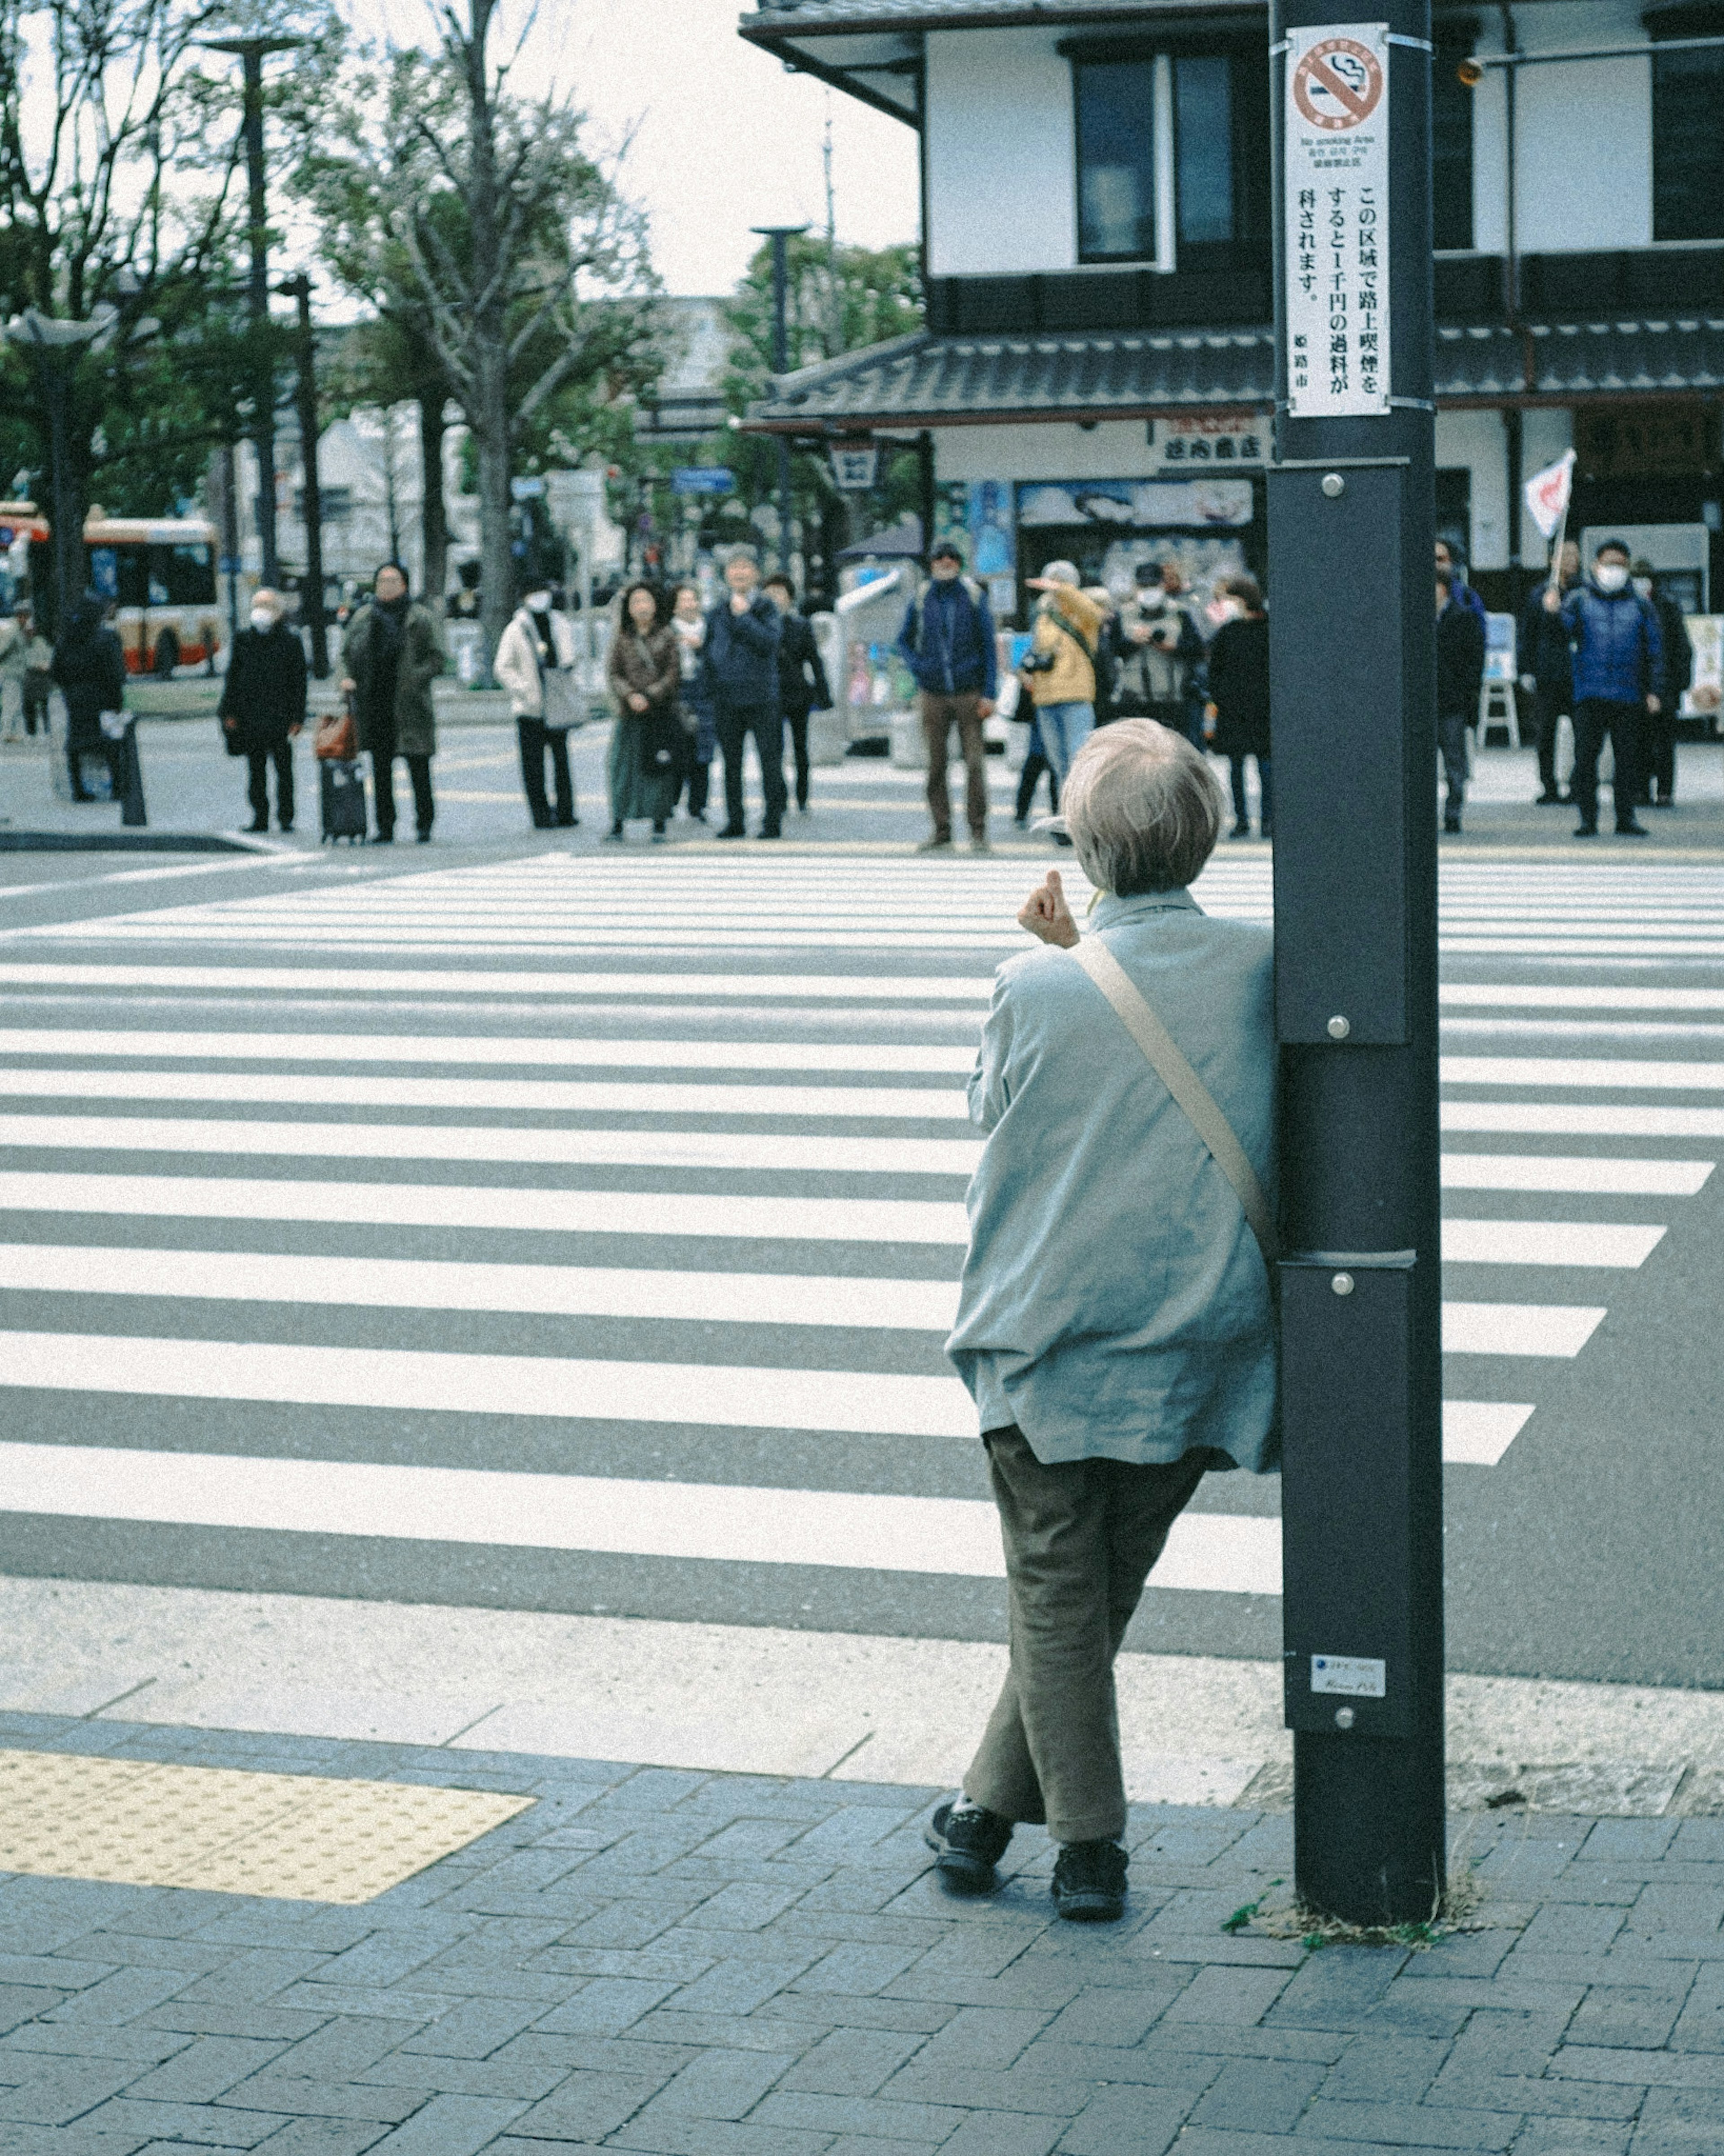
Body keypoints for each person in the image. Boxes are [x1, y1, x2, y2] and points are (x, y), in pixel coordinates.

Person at [930, 719, 1275, 1924]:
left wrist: (1065, 951)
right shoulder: (1264, 966)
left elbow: (996, 1104)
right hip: (1199, 1344)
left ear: (1084, 848)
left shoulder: (1034, 982)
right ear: (1207, 836)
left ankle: (1091, 1847)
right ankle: (978, 1816)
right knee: (1086, 1599)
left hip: (1047, 1344)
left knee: (1058, 1596)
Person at [1544, 538, 1661, 839]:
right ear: (1596, 566)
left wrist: (1655, 691)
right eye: (1609, 564)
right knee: (1586, 762)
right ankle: (1588, 819)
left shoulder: (1641, 605)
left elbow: (1655, 652)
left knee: (1627, 762)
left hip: (1628, 694)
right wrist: (1552, 611)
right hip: (1589, 694)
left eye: (1621, 565)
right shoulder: (1579, 600)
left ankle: (1626, 818)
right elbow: (1559, 635)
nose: (1615, 570)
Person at [896, 540, 999, 855]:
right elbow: (902, 641)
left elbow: (989, 648)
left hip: (970, 692)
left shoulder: (973, 595)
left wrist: (990, 692)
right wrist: (920, 668)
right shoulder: (922, 597)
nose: (945, 562)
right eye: (939, 557)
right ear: (931, 563)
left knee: (974, 764)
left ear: (960, 563)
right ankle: (941, 831)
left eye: (952, 557)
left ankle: (978, 831)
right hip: (933, 693)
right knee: (936, 764)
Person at [340, 562, 446, 843]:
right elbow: (345, 655)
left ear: (405, 585)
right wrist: (346, 679)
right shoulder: (364, 617)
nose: (386, 585)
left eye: (392, 580)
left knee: (418, 767)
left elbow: (438, 658)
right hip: (375, 704)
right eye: (381, 580)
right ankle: (385, 826)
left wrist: (416, 678)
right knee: (381, 769)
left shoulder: (419, 617)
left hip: (410, 705)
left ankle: (425, 823)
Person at [704, 548, 785, 841]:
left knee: (770, 761)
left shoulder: (766, 607)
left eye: (745, 568)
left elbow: (770, 642)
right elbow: (710, 649)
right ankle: (734, 820)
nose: (739, 573)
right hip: (726, 696)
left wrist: (745, 616)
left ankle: (772, 821)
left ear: (756, 574)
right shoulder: (716, 611)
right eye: (734, 568)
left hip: (762, 696)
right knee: (731, 763)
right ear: (726, 575)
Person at [219, 587, 307, 833]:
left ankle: (286, 816)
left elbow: (299, 682)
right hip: (250, 716)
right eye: (258, 605)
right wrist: (229, 712)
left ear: (279, 612)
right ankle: (260, 816)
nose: (261, 612)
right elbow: (233, 678)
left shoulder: (290, 641)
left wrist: (298, 716)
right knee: (256, 770)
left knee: (283, 771)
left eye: (267, 606)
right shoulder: (244, 639)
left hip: (280, 715)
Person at [496, 583, 580, 830]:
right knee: (533, 766)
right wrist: (524, 689)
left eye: (542, 593)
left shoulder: (559, 623)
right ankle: (541, 814)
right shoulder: (516, 628)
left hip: (556, 701)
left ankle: (566, 812)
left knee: (562, 762)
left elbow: (570, 656)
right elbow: (503, 667)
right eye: (533, 594)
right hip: (530, 707)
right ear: (524, 598)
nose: (540, 598)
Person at [1020, 560, 1105, 799]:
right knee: (1059, 765)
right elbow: (1036, 651)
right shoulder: (1044, 617)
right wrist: (1026, 671)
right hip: (1046, 697)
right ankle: (1065, 819)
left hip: (1076, 697)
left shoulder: (1084, 614)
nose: (1055, 587)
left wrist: (1063, 588)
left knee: (1078, 762)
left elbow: (1095, 616)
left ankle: (1080, 816)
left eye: (1061, 581)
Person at [605, 581, 681, 842]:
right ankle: (618, 822)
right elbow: (614, 673)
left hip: (658, 713)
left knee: (658, 768)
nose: (642, 607)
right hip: (629, 714)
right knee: (621, 768)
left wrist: (649, 695)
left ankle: (659, 821)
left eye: (646, 601)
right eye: (636, 602)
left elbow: (673, 674)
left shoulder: (667, 635)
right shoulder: (622, 637)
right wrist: (630, 695)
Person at [1204, 577, 1273, 840]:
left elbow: (1215, 673)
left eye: (1228, 599)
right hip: (1244, 709)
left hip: (1244, 709)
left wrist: (1222, 696)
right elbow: (1214, 673)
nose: (1223, 604)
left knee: (1258, 767)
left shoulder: (1238, 632)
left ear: (1241, 600)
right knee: (1246, 766)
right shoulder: (1233, 631)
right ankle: (1248, 819)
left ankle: (1257, 820)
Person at [1113, 563, 1204, 741]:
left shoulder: (1179, 613)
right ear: (1136, 587)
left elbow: (1198, 650)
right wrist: (1133, 642)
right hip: (1135, 701)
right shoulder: (1123, 615)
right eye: (1144, 586)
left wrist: (1174, 648)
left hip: (1173, 699)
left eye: (1153, 586)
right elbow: (1113, 651)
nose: (1149, 591)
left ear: (1162, 585)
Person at [1519, 539, 1579, 804]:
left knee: (1583, 735)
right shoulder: (1540, 593)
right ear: (1552, 560)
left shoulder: (1583, 592)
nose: (1570, 560)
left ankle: (1579, 785)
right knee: (1546, 734)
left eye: (1574, 555)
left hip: (1578, 673)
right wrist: (1525, 669)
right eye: (1564, 555)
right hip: (1547, 673)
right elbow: (1527, 634)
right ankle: (1549, 786)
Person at [52, 593, 128, 802]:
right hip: (103, 699)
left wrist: (70, 689)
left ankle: (78, 788)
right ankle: (117, 787)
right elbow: (116, 674)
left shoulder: (66, 640)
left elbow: (56, 672)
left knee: (76, 742)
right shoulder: (106, 639)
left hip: (75, 700)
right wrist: (117, 701)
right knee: (111, 742)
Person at [1632, 560, 1692, 809]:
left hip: (1665, 685)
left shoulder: (1667, 606)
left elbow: (1681, 648)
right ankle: (1642, 789)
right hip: (1636, 686)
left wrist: (1679, 683)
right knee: (1639, 741)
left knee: (1665, 742)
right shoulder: (1630, 605)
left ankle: (1665, 791)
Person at [1435, 564, 1486, 834]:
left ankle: (1453, 813)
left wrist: (1469, 697)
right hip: (1424, 705)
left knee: (1455, 763)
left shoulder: (1463, 618)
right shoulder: (1415, 619)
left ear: (1443, 590)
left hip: (1452, 703)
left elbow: (1474, 662)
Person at [669, 582, 714, 821]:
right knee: (677, 750)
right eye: (683, 600)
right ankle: (671, 801)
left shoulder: (709, 629)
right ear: (674, 607)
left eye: (692, 599)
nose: (689, 604)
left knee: (703, 751)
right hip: (676, 694)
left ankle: (698, 805)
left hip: (705, 693)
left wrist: (702, 648)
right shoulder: (668, 632)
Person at [1434, 539, 1487, 626]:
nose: (1435, 565)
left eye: (1440, 559)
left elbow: (1480, 634)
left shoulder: (1468, 598)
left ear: (1451, 563)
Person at [0, 604, 28, 743]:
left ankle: (18, 734)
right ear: (19, 616)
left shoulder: (18, 630)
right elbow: (2, 649)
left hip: (17, 674)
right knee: (10, 704)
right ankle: (6, 733)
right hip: (11, 672)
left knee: (17, 704)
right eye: (25, 616)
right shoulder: (12, 631)